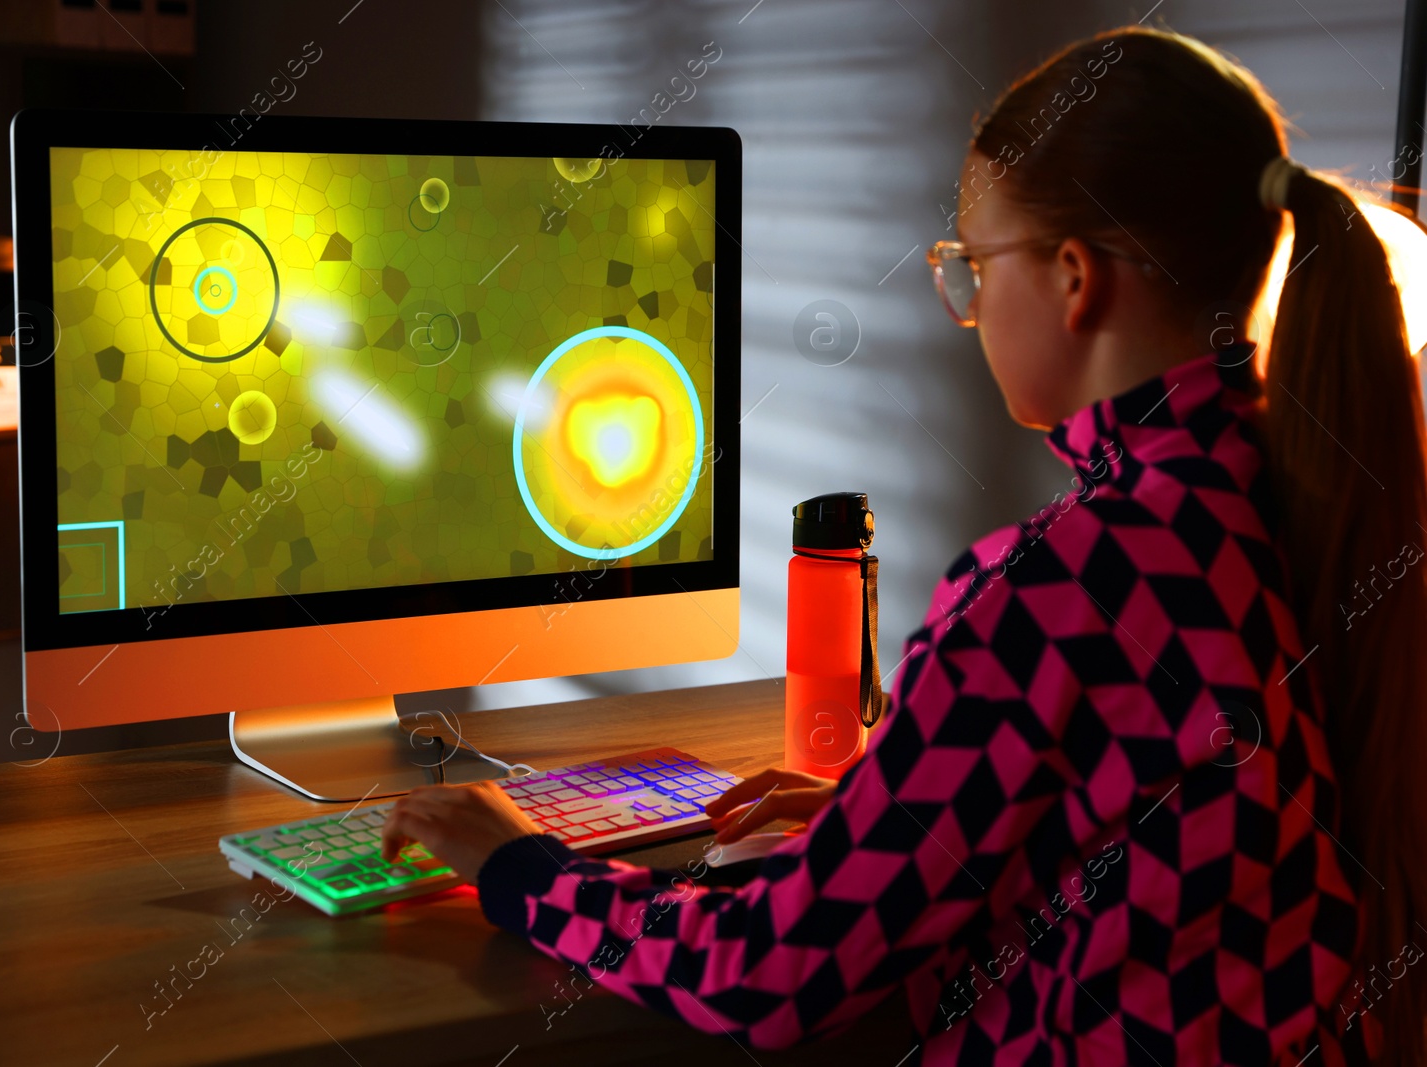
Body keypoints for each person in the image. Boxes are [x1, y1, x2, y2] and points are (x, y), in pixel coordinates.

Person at [383, 26, 1427, 1065]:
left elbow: (769, 973)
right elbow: (1156, 832)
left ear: (1074, 277)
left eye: (973, 267)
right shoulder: (1287, 503)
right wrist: (876, 816)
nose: (965, 311)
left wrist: (515, 862)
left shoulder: (1060, 583)